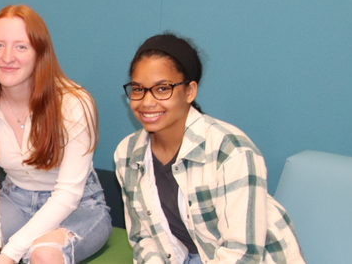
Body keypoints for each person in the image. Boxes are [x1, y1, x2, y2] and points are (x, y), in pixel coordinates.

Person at [113, 33, 305, 264]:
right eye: (137, 89)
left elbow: (242, 255)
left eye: (162, 88)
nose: (147, 101)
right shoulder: (128, 154)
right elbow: (146, 237)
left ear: (190, 91)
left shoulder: (232, 151)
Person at [0, 5, 112, 264]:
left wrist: (10, 254)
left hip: (79, 205)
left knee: (42, 255)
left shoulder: (74, 103)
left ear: (40, 53)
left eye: (21, 47)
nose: (7, 57)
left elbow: (68, 195)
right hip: (16, 197)